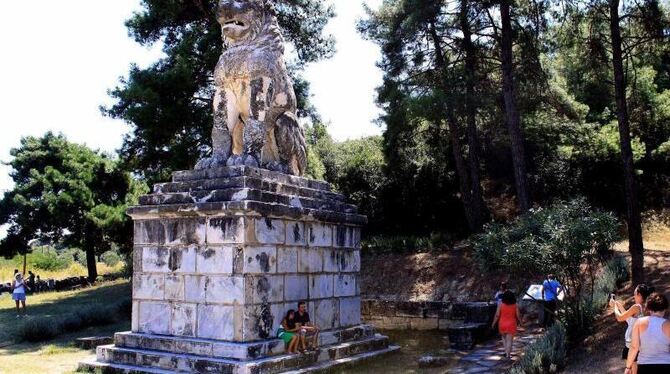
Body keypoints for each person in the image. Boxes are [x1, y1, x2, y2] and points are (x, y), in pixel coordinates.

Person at [611, 284, 655, 374]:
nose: (633, 296)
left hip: (632, 346)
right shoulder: (646, 308)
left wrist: (614, 307)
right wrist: (619, 306)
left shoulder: (637, 307)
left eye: (635, 293)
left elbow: (620, 318)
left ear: (639, 295)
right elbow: (629, 320)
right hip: (641, 345)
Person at [625, 292, 670, 374]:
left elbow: (634, 347)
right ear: (665, 308)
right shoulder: (668, 325)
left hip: (644, 366)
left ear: (648, 308)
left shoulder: (639, 323)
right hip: (666, 365)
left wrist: (628, 366)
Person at [491, 290, 522, 359]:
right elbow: (518, 315)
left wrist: (493, 324)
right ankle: (508, 355)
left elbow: (497, 315)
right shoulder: (515, 305)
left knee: (504, 338)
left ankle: (506, 352)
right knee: (510, 340)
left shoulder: (500, 305)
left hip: (502, 324)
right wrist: (521, 322)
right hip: (511, 324)